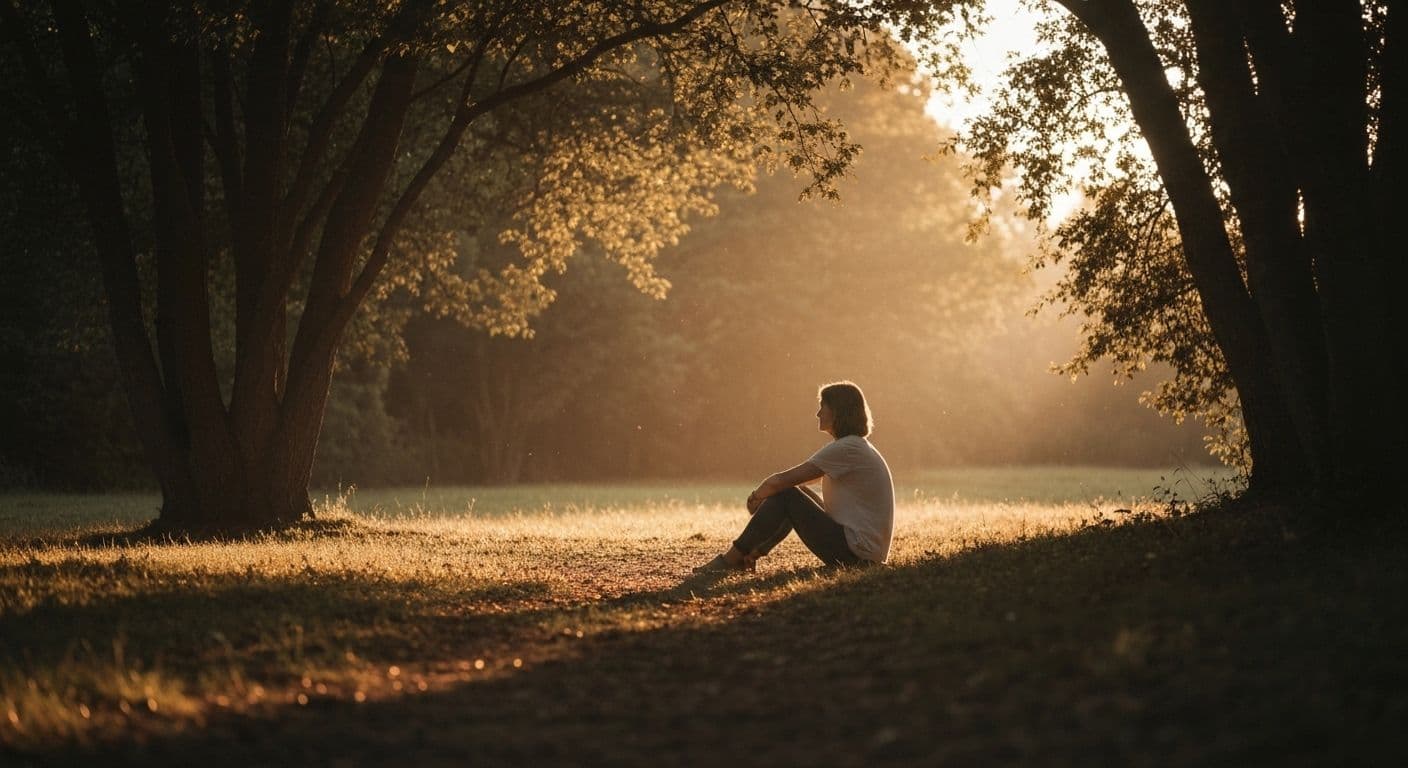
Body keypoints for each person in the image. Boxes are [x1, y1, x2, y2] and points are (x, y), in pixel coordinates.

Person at [695, 381, 895, 573]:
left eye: (822, 406)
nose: (818, 413)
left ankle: (731, 560)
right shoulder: (854, 446)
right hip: (861, 552)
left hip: (857, 555)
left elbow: (781, 481)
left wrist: (756, 497)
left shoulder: (848, 447)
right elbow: (798, 482)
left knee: (787, 495)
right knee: (793, 493)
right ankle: (750, 554)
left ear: (837, 410)